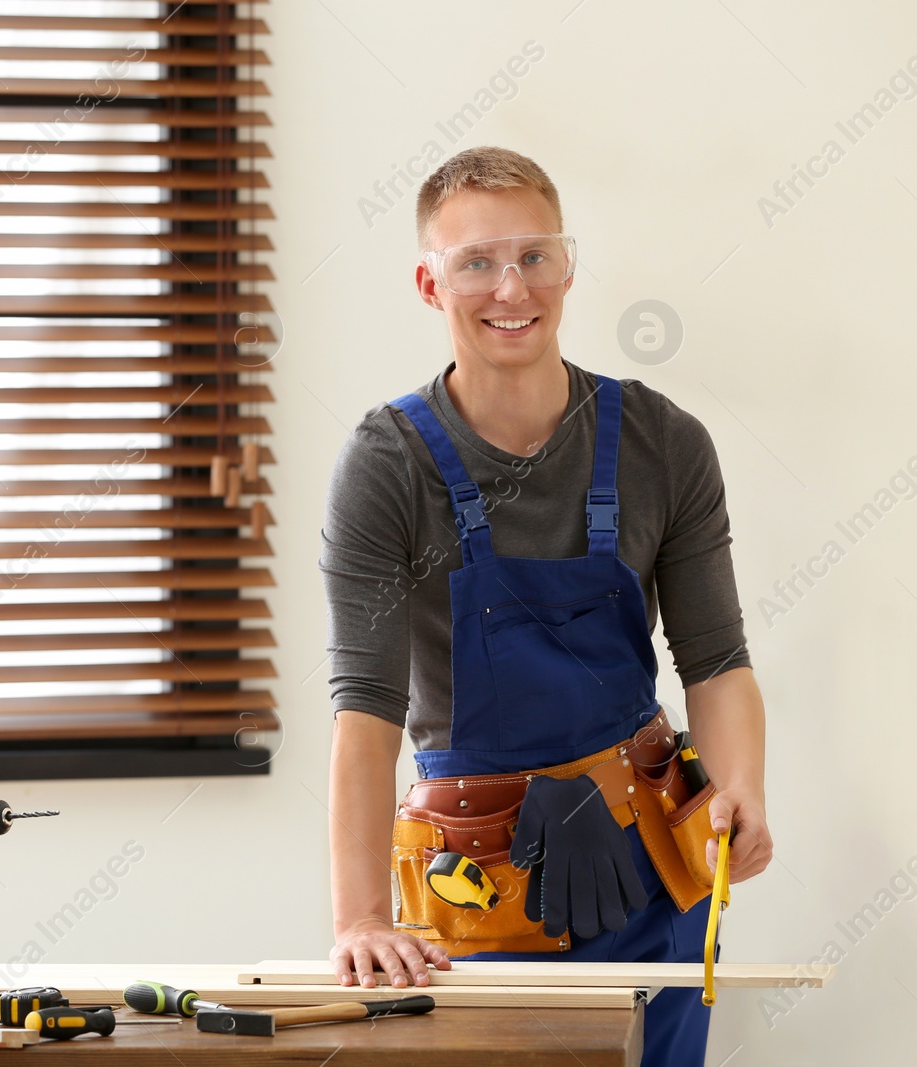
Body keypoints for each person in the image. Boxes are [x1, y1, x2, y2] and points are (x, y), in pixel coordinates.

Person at [320, 145, 772, 1066]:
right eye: (475, 261)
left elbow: (717, 661)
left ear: (568, 266)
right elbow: (366, 707)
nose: (509, 287)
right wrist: (362, 916)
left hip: (653, 866)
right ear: (428, 281)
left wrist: (740, 792)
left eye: (533, 256)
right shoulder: (386, 465)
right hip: (478, 883)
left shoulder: (664, 443)